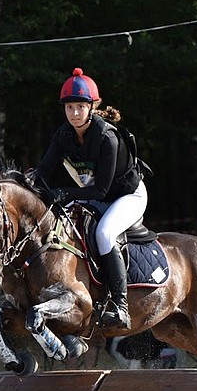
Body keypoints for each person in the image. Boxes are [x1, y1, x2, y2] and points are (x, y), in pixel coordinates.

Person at [35, 67, 148, 329]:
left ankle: (120, 306)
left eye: (80, 107)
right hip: (96, 195)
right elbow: (43, 172)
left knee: (105, 233)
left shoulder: (108, 137)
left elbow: (101, 192)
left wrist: (64, 193)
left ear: (92, 106)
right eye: (69, 107)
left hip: (127, 195)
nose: (74, 113)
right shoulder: (64, 134)